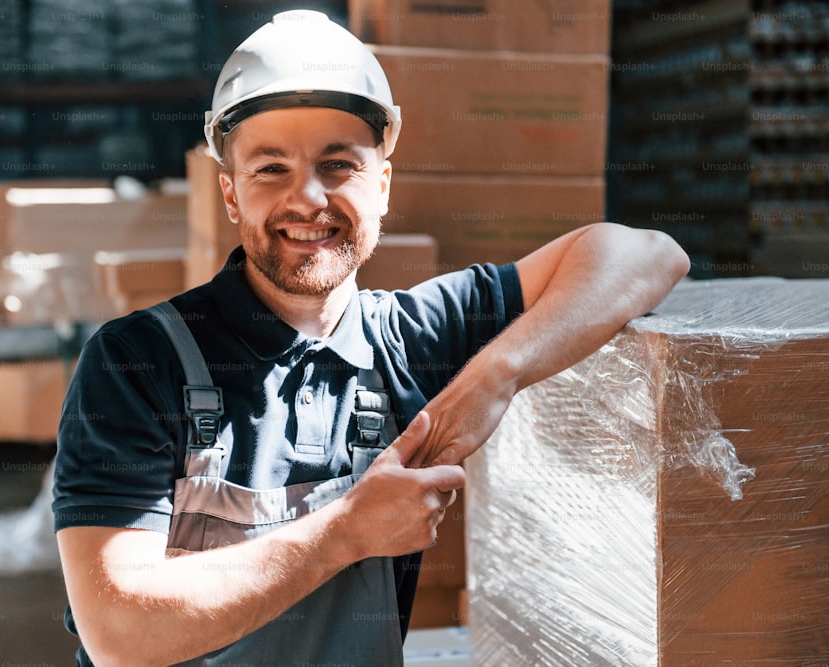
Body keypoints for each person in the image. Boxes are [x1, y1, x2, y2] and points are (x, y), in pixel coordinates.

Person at [53, 10, 690, 666]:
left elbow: (645, 253)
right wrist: (346, 532)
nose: (308, 197)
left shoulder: (414, 337)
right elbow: (118, 630)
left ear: (382, 185)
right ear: (232, 194)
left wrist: (496, 376)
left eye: (337, 164)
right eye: (271, 168)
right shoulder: (136, 361)